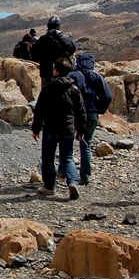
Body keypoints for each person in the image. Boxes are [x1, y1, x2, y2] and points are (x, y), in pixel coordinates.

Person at [32, 58, 87, 200]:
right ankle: (73, 182)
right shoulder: (74, 89)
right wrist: (81, 129)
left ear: (55, 70)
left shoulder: (48, 88)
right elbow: (80, 111)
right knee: (67, 157)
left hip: (51, 128)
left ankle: (49, 187)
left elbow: (40, 110)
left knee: (48, 158)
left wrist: (36, 128)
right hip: (68, 128)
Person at [67, 52, 113, 185]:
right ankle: (85, 176)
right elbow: (108, 96)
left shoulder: (73, 76)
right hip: (91, 113)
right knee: (86, 144)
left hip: (73, 113)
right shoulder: (97, 77)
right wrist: (99, 109)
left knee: (68, 142)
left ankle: (67, 173)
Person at [32, 16, 77, 86]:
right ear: (59, 25)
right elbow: (73, 49)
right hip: (64, 71)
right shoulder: (66, 38)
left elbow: (34, 55)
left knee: (47, 93)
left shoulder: (41, 40)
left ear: (48, 26)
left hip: (46, 72)